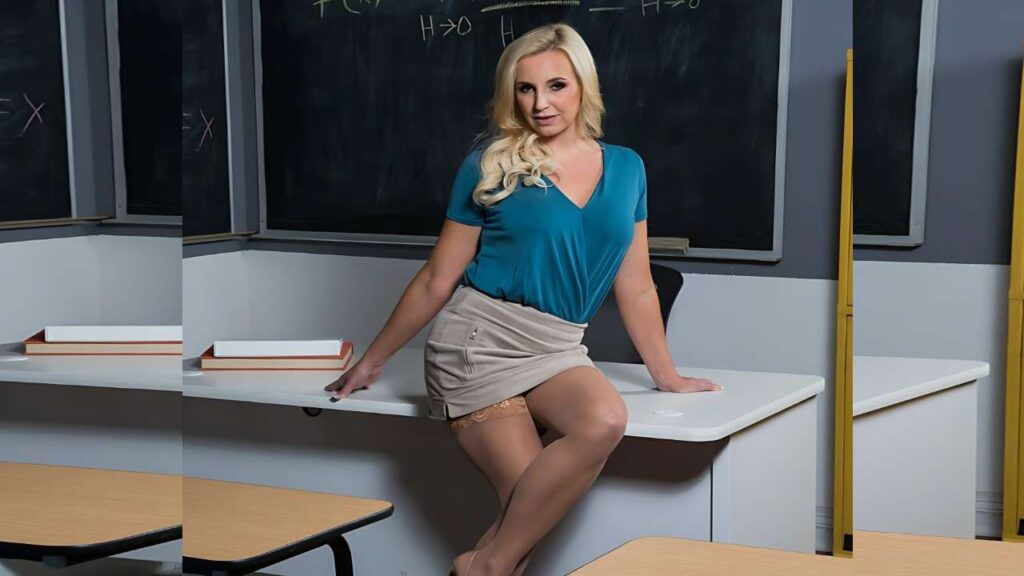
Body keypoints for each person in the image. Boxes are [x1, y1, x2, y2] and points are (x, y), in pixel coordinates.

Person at [324, 22, 721, 576]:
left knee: (604, 421)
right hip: (477, 344)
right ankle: (483, 568)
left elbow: (635, 284)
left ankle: (475, 567)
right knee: (526, 508)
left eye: (556, 85)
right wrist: (374, 359)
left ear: (583, 85)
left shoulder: (628, 167)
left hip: (558, 347)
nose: (540, 104)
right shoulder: (490, 165)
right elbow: (438, 277)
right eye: (525, 89)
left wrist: (668, 375)